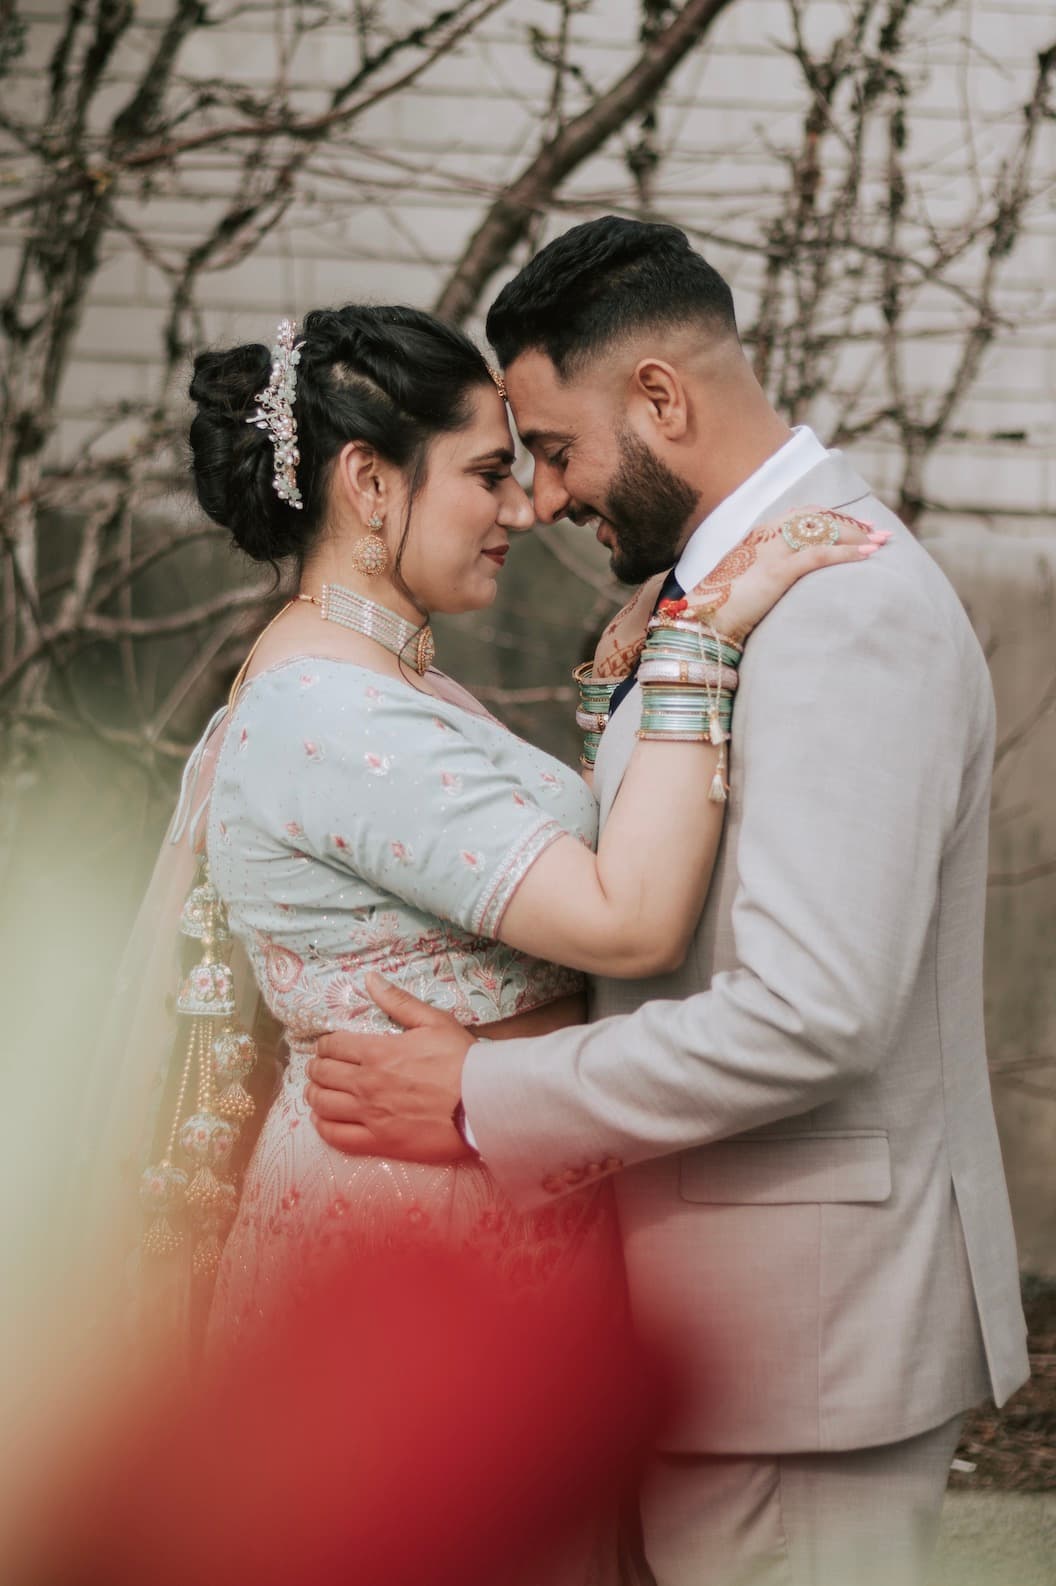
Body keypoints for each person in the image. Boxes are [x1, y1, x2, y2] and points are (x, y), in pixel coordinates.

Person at [305, 220, 1031, 1586]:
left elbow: (812, 1014)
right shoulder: (719, 603)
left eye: (557, 449)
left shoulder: (845, 613)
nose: (545, 498)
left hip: (806, 1346)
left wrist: (481, 1096)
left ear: (661, 399)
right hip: (725, 1333)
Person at [161, 302, 872, 1582]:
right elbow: (629, 916)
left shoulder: (391, 682)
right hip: (405, 1245)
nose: (526, 506)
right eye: (490, 471)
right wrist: (703, 640)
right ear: (369, 482)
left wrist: (614, 702)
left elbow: (532, 877)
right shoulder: (327, 707)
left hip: (475, 1203)